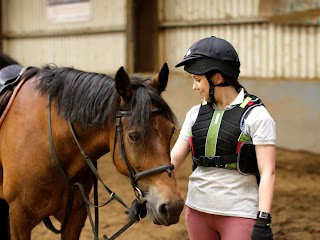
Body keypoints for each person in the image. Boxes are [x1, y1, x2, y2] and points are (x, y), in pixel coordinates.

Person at [171, 36, 276, 240]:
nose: (194, 87)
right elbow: (173, 161)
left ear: (217, 78)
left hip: (238, 213)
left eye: (197, 79)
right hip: (197, 210)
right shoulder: (194, 114)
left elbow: (268, 172)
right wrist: (144, 193)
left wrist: (263, 219)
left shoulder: (256, 116)